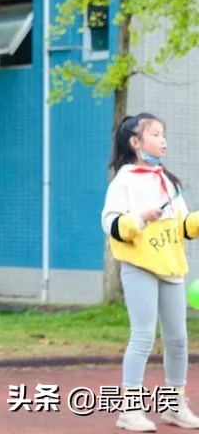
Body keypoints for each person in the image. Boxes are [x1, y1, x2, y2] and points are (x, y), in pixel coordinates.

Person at [102, 113, 199, 431]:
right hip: (139, 266)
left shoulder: (168, 181)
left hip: (172, 266)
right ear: (135, 142)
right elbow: (111, 224)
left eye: (164, 134)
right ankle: (129, 411)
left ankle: (174, 405)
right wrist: (141, 217)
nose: (164, 140)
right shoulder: (124, 180)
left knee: (178, 340)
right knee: (143, 336)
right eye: (156, 134)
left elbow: (184, 227)